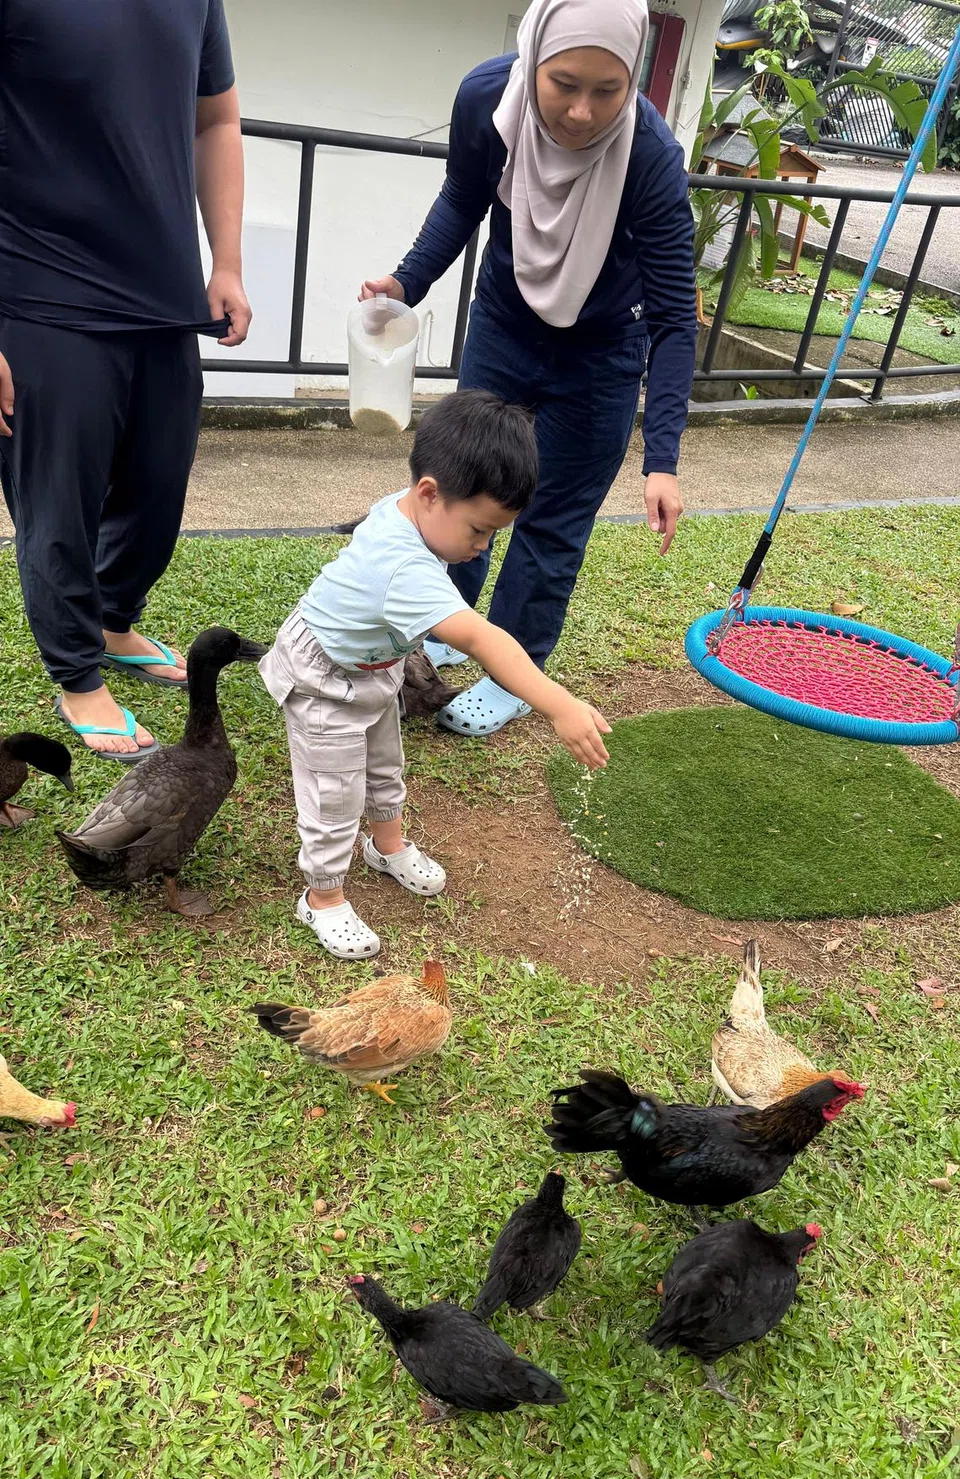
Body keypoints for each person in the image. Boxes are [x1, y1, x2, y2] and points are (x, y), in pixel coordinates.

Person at [361, 0, 696, 738]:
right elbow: (463, 199)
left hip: (604, 351)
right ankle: (431, 628)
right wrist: (404, 283)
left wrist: (662, 460)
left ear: (633, 77)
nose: (581, 112)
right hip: (506, 326)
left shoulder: (650, 157)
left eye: (608, 90)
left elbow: (676, 317)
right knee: (459, 491)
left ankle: (513, 674)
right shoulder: (487, 99)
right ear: (532, 57)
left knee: (551, 523)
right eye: (564, 83)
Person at [259, 390, 610, 961]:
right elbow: (482, 638)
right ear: (429, 493)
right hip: (323, 677)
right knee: (334, 792)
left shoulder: (412, 507)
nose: (482, 546)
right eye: (478, 530)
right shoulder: (405, 565)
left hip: (374, 668)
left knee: (383, 762)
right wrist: (558, 704)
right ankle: (321, 897)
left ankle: (386, 846)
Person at [0, 0, 251, 762]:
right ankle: (77, 674)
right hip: (39, 287)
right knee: (58, 505)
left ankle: (114, 621)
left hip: (163, 292)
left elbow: (217, 121)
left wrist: (228, 262)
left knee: (157, 488)